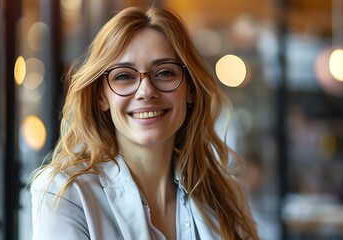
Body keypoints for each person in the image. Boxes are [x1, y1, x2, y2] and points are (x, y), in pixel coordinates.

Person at [30, 6, 259, 240]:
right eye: (124, 76)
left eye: (165, 73)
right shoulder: (65, 193)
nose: (146, 91)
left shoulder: (228, 193)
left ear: (189, 89)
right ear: (101, 97)